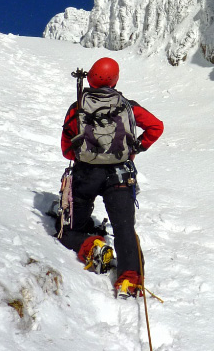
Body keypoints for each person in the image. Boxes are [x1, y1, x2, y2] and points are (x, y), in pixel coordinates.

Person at [58, 57, 164, 298]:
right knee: (125, 228)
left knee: (70, 229)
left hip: (85, 175)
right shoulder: (128, 106)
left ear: (91, 76)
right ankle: (129, 280)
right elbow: (156, 127)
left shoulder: (78, 107)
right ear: (115, 79)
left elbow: (66, 149)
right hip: (121, 175)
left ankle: (91, 245)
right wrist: (135, 148)